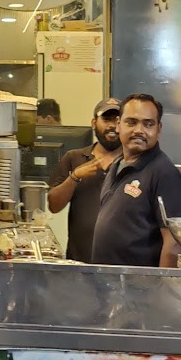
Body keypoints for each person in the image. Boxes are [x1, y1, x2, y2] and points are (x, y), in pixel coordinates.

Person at [91, 92, 181, 268]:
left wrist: (162, 284)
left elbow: (173, 244)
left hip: (137, 283)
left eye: (148, 124)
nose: (139, 130)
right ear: (119, 124)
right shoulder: (117, 164)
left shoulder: (164, 174)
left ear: (159, 129)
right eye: (131, 122)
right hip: (107, 280)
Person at [47, 98, 122, 262]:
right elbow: (53, 206)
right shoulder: (74, 158)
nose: (112, 126)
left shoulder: (133, 162)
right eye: (106, 119)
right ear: (94, 123)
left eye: (118, 120)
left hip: (119, 263)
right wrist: (75, 177)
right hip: (79, 261)